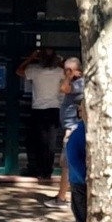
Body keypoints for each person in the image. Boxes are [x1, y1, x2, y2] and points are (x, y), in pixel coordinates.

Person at [16, 46, 63, 182]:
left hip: (38, 110)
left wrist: (30, 58)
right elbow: (70, 72)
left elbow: (19, 71)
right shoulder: (59, 71)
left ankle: (40, 170)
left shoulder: (34, 70)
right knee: (51, 142)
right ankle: (47, 171)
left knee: (40, 142)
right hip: (53, 109)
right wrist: (59, 60)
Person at [45, 57, 84, 209]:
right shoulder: (76, 82)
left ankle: (61, 198)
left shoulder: (80, 83)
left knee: (67, 164)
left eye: (70, 70)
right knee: (67, 163)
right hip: (71, 128)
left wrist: (68, 77)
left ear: (78, 71)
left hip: (73, 129)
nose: (66, 72)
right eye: (65, 69)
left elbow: (63, 89)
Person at [66, 114, 87, 222]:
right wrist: (85, 177)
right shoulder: (79, 132)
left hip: (82, 182)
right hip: (80, 184)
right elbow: (72, 157)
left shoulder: (81, 131)